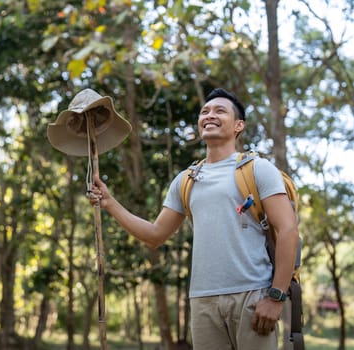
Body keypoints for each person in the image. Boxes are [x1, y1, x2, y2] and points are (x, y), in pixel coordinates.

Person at [87, 88, 299, 349]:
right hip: (202, 301)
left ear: (238, 126)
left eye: (220, 111)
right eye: (204, 112)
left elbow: (288, 230)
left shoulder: (258, 169)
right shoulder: (186, 180)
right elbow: (155, 235)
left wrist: (276, 296)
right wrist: (109, 203)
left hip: (252, 295)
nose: (209, 115)